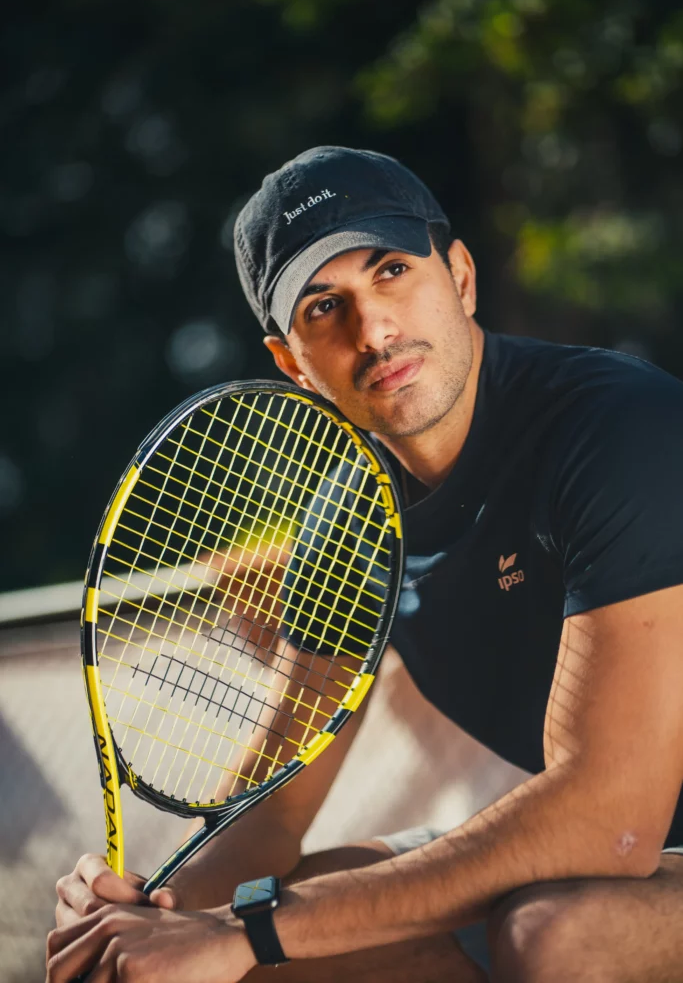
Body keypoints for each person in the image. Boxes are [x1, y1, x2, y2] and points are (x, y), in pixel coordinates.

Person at [47, 146, 683, 982]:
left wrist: (244, 933)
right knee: (258, 929)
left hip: (619, 850)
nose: (373, 331)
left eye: (391, 271)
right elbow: (270, 817)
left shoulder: (618, 429)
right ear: (291, 364)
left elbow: (609, 819)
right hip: (636, 860)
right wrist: (147, 918)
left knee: (560, 934)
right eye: (323, 307)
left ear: (460, 277)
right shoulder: (350, 520)